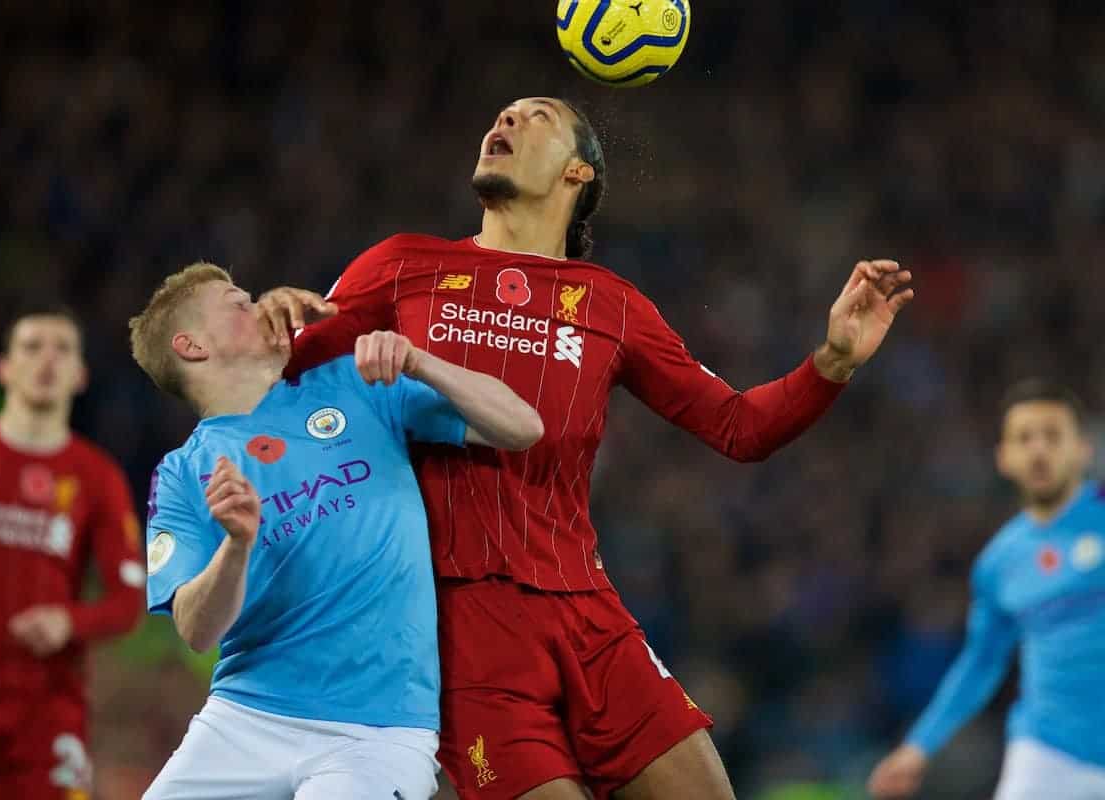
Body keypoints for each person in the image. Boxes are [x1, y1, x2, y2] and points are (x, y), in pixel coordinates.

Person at [257, 96, 915, 799]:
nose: (504, 121)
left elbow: (739, 428)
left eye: (534, 115)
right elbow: (268, 392)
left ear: (578, 173)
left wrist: (835, 362)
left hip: (589, 615)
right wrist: (263, 331)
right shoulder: (401, 265)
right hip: (462, 631)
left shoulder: (612, 304)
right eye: (502, 114)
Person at [127, 263, 542, 799]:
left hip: (376, 730)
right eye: (239, 302)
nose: (262, 308)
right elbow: (195, 629)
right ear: (192, 346)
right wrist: (237, 545)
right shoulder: (183, 474)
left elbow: (522, 426)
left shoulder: (352, 384)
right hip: (246, 719)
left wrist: (420, 362)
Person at [0, 307, 145, 800]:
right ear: (4, 368)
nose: (47, 360)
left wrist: (69, 622)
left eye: (62, 349)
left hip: (46, 706)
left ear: (80, 376)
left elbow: (127, 602)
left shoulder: (97, 477)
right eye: (32, 347)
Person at [868, 380, 1105, 800]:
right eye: (1024, 438)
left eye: (1053, 436)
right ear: (1004, 457)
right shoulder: (1000, 562)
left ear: (1083, 448)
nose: (1038, 450)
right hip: (1049, 753)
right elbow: (981, 661)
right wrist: (918, 746)